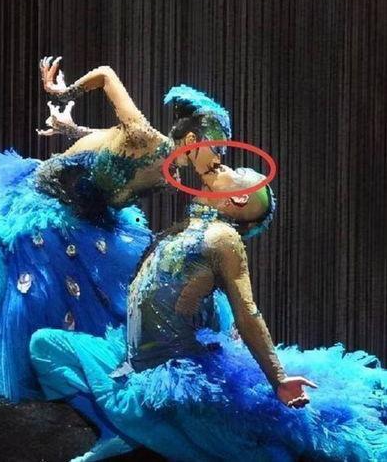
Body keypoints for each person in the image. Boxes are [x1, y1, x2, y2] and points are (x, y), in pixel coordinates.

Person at [29, 90, 387, 461]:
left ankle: (137, 432)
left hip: (173, 374)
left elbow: (248, 313)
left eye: (236, 173)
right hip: (132, 362)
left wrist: (279, 379)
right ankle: (119, 428)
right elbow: (149, 147)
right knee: (45, 345)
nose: (224, 166)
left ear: (240, 198)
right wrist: (76, 131)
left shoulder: (222, 237)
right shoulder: (186, 227)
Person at [0, 58, 229, 402]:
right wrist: (63, 92)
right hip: (46, 203)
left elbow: (108, 142)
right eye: (215, 150)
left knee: (124, 285)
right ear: (191, 139)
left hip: (90, 220)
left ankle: (65, 369)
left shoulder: (167, 175)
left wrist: (71, 129)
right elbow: (106, 75)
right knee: (35, 292)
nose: (218, 160)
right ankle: (19, 368)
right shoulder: (144, 135)